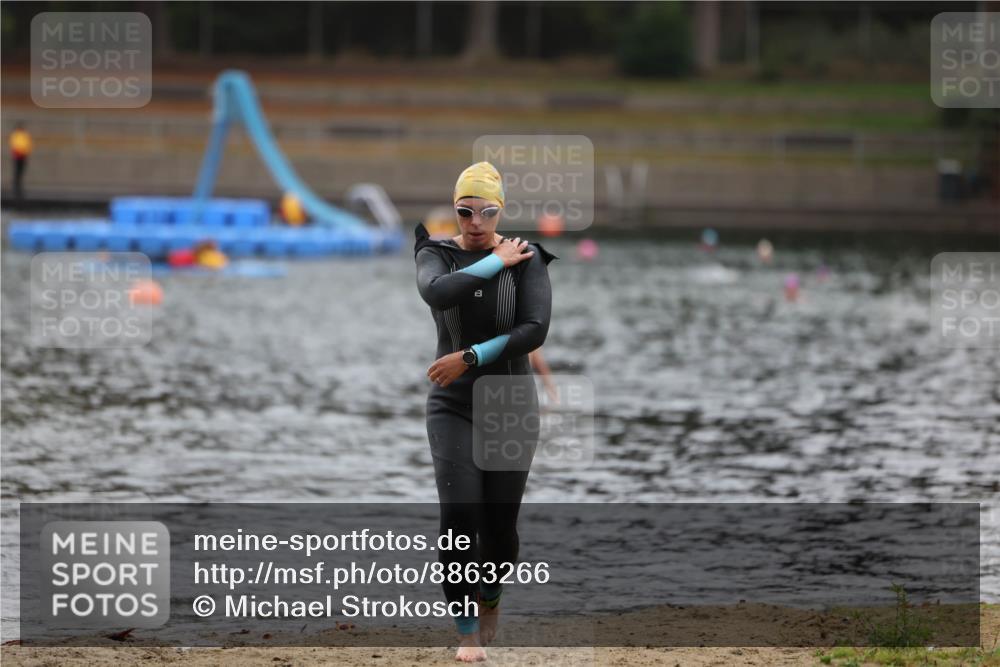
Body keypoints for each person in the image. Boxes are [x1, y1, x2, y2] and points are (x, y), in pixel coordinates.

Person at [414, 161, 556, 662]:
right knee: (458, 516)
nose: (476, 222)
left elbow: (534, 330)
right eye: (465, 211)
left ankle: (491, 596)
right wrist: (495, 262)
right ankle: (467, 632)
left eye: (487, 212)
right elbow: (437, 292)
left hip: (510, 405)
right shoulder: (436, 254)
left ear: (501, 211)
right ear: (455, 210)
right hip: (452, 404)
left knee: (499, 528)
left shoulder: (528, 258)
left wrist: (471, 356)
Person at [9, 122, 32, 202]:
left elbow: (28, 145)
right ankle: (16, 187)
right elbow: (14, 145)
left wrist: (25, 152)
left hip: (23, 156)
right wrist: (19, 151)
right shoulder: (16, 135)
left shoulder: (25, 135)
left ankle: (19, 187)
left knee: (21, 172)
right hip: (17, 156)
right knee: (17, 172)